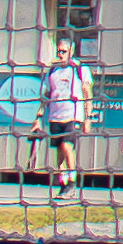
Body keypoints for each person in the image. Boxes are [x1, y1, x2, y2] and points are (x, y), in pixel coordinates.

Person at [39, 40, 93, 186]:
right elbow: (46, 94)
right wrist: (38, 116)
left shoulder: (80, 69)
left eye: (63, 51)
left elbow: (88, 94)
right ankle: (62, 180)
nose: (60, 54)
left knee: (67, 146)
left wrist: (88, 118)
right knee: (59, 149)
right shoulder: (53, 70)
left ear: (71, 51)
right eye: (59, 51)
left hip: (73, 115)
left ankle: (71, 179)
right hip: (55, 115)